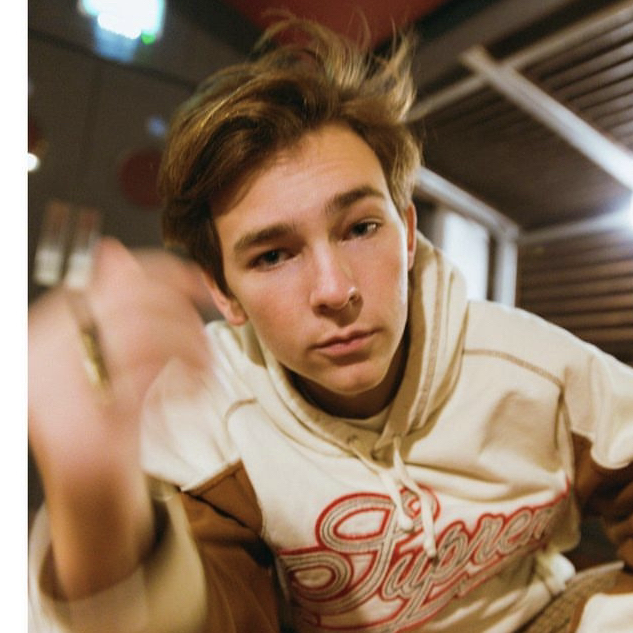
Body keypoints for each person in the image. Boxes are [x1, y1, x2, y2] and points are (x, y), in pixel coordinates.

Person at [28, 16, 633, 633]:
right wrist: (90, 496)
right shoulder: (206, 420)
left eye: (361, 228)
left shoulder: (526, 363)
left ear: (407, 234)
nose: (335, 290)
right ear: (224, 293)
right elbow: (209, 620)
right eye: (273, 256)